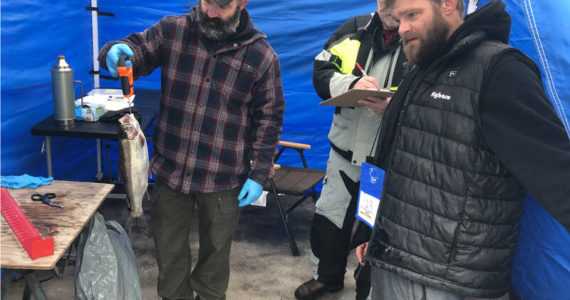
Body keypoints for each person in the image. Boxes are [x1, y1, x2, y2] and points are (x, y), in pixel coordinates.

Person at [356, 0, 570, 299]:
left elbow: (556, 172)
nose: (402, 28)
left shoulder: (499, 70)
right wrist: (368, 231)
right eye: (399, 18)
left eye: (412, 15)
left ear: (448, 4)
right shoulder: (421, 67)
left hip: (447, 281)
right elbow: (393, 154)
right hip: (391, 259)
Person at [98, 0, 285, 299]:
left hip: (223, 177)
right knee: (168, 251)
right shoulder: (174, 31)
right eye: (206, 1)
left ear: (243, 2)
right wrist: (118, 51)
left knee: (215, 256)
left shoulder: (261, 57)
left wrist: (259, 173)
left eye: (222, 5)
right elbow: (138, 50)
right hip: (172, 170)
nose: (211, 13)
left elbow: (269, 117)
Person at [294, 1, 406, 299]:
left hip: (388, 162)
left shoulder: (419, 36)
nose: (393, 9)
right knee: (329, 217)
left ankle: (369, 290)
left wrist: (394, 106)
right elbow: (321, 71)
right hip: (343, 152)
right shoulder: (353, 29)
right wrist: (352, 84)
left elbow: (433, 96)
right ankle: (325, 277)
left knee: (380, 232)